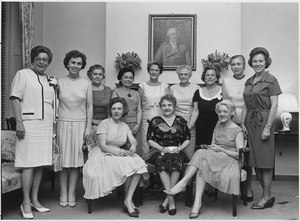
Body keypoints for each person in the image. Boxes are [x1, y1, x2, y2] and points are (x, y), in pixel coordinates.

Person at [164, 100, 244, 219]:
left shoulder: (238, 131)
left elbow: (240, 155)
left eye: (225, 112)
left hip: (230, 161)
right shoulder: (218, 125)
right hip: (216, 157)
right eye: (219, 111)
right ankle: (197, 203)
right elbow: (212, 145)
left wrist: (222, 150)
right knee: (202, 165)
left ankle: (183, 182)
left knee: (200, 153)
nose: (221, 114)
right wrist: (212, 150)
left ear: (232, 113)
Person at [82, 97, 148, 218]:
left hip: (119, 152)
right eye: (114, 108)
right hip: (103, 154)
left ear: (123, 111)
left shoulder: (124, 125)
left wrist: (133, 144)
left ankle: (128, 200)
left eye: (119, 108)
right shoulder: (104, 123)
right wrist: (118, 153)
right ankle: (128, 201)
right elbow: (102, 146)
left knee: (139, 163)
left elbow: (132, 139)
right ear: (110, 110)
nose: (116, 111)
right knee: (129, 164)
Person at [10, 45, 55, 219]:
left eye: (45, 59)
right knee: (29, 163)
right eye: (39, 59)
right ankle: (25, 202)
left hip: (45, 126)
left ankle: (35, 200)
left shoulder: (48, 80)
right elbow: (15, 98)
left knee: (40, 163)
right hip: (29, 125)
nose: (42, 62)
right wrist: (19, 123)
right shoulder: (23, 74)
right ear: (32, 59)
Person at [242, 47, 282, 209]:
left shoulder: (271, 80)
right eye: (255, 61)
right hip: (250, 122)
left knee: (264, 161)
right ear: (251, 62)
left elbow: (274, 106)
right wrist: (242, 124)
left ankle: (266, 196)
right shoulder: (249, 81)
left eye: (261, 61)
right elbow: (245, 103)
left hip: (264, 121)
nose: (257, 63)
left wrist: (268, 127)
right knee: (254, 160)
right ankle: (267, 195)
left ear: (266, 62)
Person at [57, 50, 93, 208]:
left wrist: (88, 126)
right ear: (67, 63)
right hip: (63, 123)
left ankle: (72, 192)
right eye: (73, 62)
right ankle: (63, 192)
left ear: (82, 66)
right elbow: (54, 105)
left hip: (80, 124)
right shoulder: (58, 82)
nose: (76, 66)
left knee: (76, 161)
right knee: (64, 160)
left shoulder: (86, 83)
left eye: (79, 63)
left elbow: (89, 107)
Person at [147, 94, 190, 216]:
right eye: (164, 105)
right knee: (162, 159)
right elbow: (149, 139)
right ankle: (171, 200)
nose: (166, 108)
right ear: (160, 107)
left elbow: (187, 138)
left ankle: (168, 199)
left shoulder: (181, 120)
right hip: (158, 151)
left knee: (176, 160)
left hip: (177, 150)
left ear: (174, 107)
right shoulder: (155, 120)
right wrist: (161, 148)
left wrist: (179, 148)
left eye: (169, 105)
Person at [222, 55, 253, 201]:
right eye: (233, 64)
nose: (236, 67)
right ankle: (233, 186)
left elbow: (249, 102)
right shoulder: (226, 81)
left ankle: (247, 189)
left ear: (244, 65)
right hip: (231, 121)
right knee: (233, 153)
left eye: (238, 64)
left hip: (248, 120)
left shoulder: (251, 80)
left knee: (247, 156)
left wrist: (244, 123)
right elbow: (224, 103)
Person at [138, 61, 169, 160]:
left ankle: (160, 170)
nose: (154, 72)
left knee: (161, 143)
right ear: (148, 71)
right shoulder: (142, 86)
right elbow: (138, 105)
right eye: (152, 70)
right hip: (146, 119)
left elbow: (169, 104)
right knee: (146, 144)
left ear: (160, 72)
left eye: (156, 70)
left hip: (162, 119)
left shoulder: (165, 86)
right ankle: (147, 170)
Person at [169, 65, 199, 159]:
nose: (183, 76)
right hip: (175, 123)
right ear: (178, 75)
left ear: (190, 76)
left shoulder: (196, 88)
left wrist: (189, 126)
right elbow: (170, 107)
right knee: (175, 153)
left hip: (191, 122)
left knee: (189, 154)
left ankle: (187, 173)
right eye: (181, 74)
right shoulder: (172, 88)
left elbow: (196, 109)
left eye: (186, 74)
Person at [189, 66, 222, 148]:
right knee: (202, 153)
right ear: (204, 77)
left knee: (216, 153)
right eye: (207, 75)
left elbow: (226, 109)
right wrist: (189, 126)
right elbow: (195, 111)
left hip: (218, 127)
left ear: (216, 78)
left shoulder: (222, 90)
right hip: (201, 128)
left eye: (212, 75)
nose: (210, 77)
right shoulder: (198, 92)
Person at [111, 68, 142, 155]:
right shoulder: (116, 91)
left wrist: (138, 124)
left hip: (135, 125)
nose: (128, 80)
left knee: (136, 150)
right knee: (122, 151)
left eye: (131, 78)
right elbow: (114, 111)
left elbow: (139, 110)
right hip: (121, 124)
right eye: (126, 77)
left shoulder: (136, 93)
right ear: (120, 78)